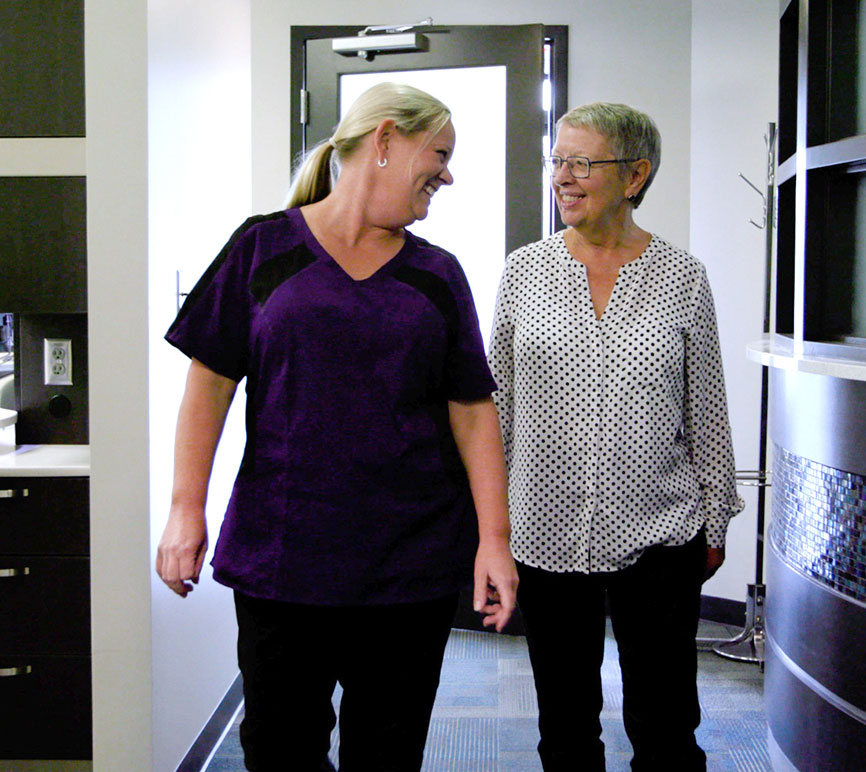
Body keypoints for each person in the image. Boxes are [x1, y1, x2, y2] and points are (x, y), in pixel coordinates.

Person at [155, 82, 518, 772]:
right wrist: (184, 508)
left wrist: (493, 540)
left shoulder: (437, 276)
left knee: (386, 754)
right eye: (438, 153)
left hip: (409, 568)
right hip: (282, 560)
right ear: (384, 141)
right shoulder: (263, 250)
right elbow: (210, 382)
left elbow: (473, 411)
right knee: (279, 752)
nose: (448, 173)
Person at [488, 102, 743, 772]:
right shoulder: (524, 272)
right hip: (543, 533)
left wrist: (714, 521)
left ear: (635, 175)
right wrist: (490, 525)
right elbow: (498, 407)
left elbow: (707, 409)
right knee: (566, 728)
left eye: (581, 162)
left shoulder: (683, 277)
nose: (563, 177)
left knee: (665, 730)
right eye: (558, 160)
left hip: (659, 534)